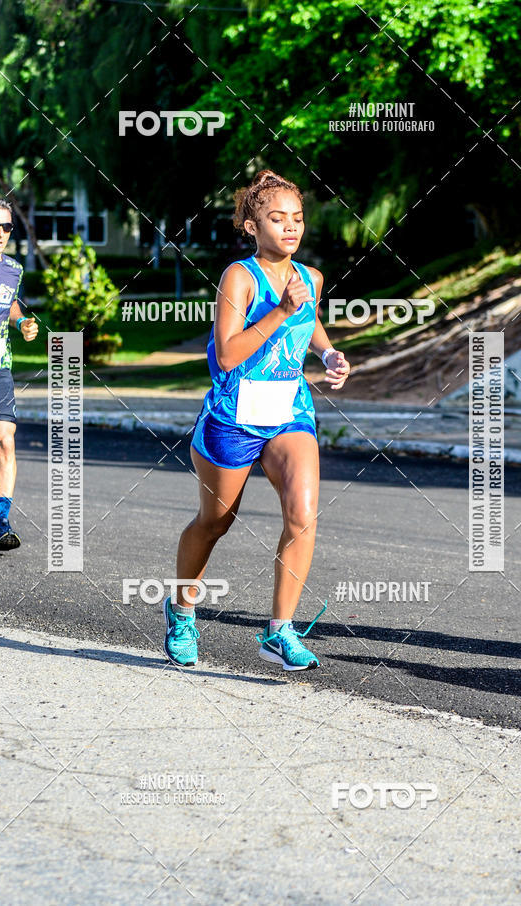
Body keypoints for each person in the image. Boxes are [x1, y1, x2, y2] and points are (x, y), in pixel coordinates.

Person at [164, 169, 350, 671]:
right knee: (215, 522)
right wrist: (279, 312)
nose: (290, 227)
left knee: (304, 513)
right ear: (251, 226)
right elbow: (227, 355)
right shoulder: (238, 277)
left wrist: (329, 354)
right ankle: (181, 610)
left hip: (289, 412)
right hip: (233, 416)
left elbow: (309, 321)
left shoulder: (309, 278)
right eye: (276, 218)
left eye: (297, 218)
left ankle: (279, 631)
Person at [0, 195, 38, 550]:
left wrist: (21, 323)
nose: (1, 233)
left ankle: (2, 522)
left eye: (7, 227)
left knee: (5, 439)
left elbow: (11, 303)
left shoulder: (14, 269)